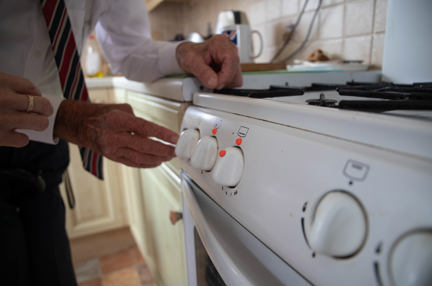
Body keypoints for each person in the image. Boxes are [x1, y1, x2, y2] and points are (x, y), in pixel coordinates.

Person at [0, 0, 242, 285]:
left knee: (54, 268)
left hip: (46, 151)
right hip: (34, 128)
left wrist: (182, 53)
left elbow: (128, 51)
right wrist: (66, 118)